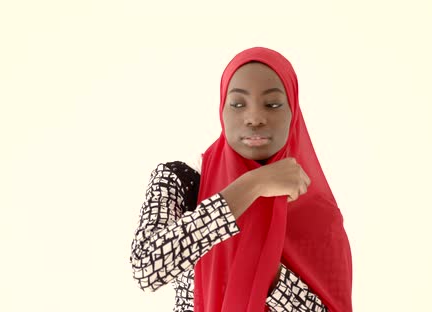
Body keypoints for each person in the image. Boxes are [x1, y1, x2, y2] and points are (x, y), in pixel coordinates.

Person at [130, 47, 353, 312]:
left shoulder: (316, 208)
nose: (255, 118)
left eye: (272, 105)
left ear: (293, 113)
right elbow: (146, 268)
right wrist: (251, 186)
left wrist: (264, 271)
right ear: (222, 109)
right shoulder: (182, 178)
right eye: (238, 104)